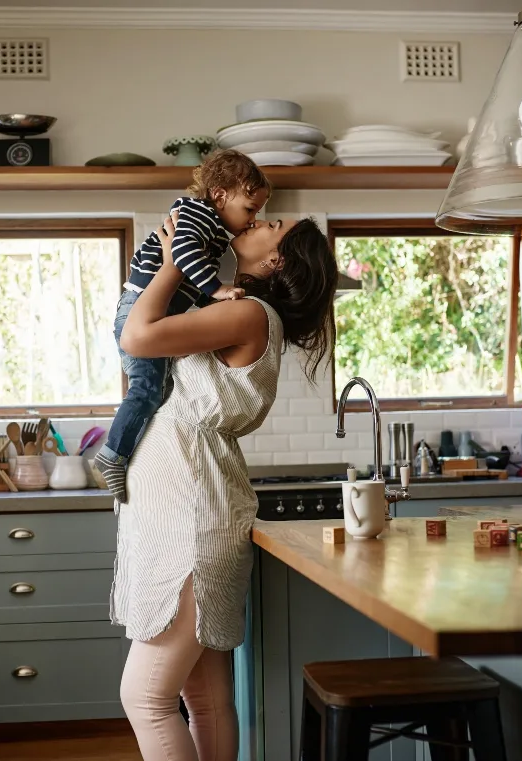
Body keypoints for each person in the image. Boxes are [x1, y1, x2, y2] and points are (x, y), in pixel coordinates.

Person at [112, 209, 337, 761]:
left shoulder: (250, 314)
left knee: (145, 698)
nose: (262, 218)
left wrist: (169, 266)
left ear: (277, 258)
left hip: (191, 517)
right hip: (195, 505)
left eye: (274, 223)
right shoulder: (239, 308)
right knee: (206, 699)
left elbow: (136, 336)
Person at [95, 149, 272, 503]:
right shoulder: (199, 214)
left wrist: (211, 299)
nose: (253, 220)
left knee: (155, 390)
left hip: (148, 308)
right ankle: (112, 456)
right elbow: (183, 254)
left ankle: (124, 452)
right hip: (136, 308)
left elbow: (186, 278)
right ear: (220, 196)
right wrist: (217, 289)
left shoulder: (213, 225)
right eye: (250, 209)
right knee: (146, 390)